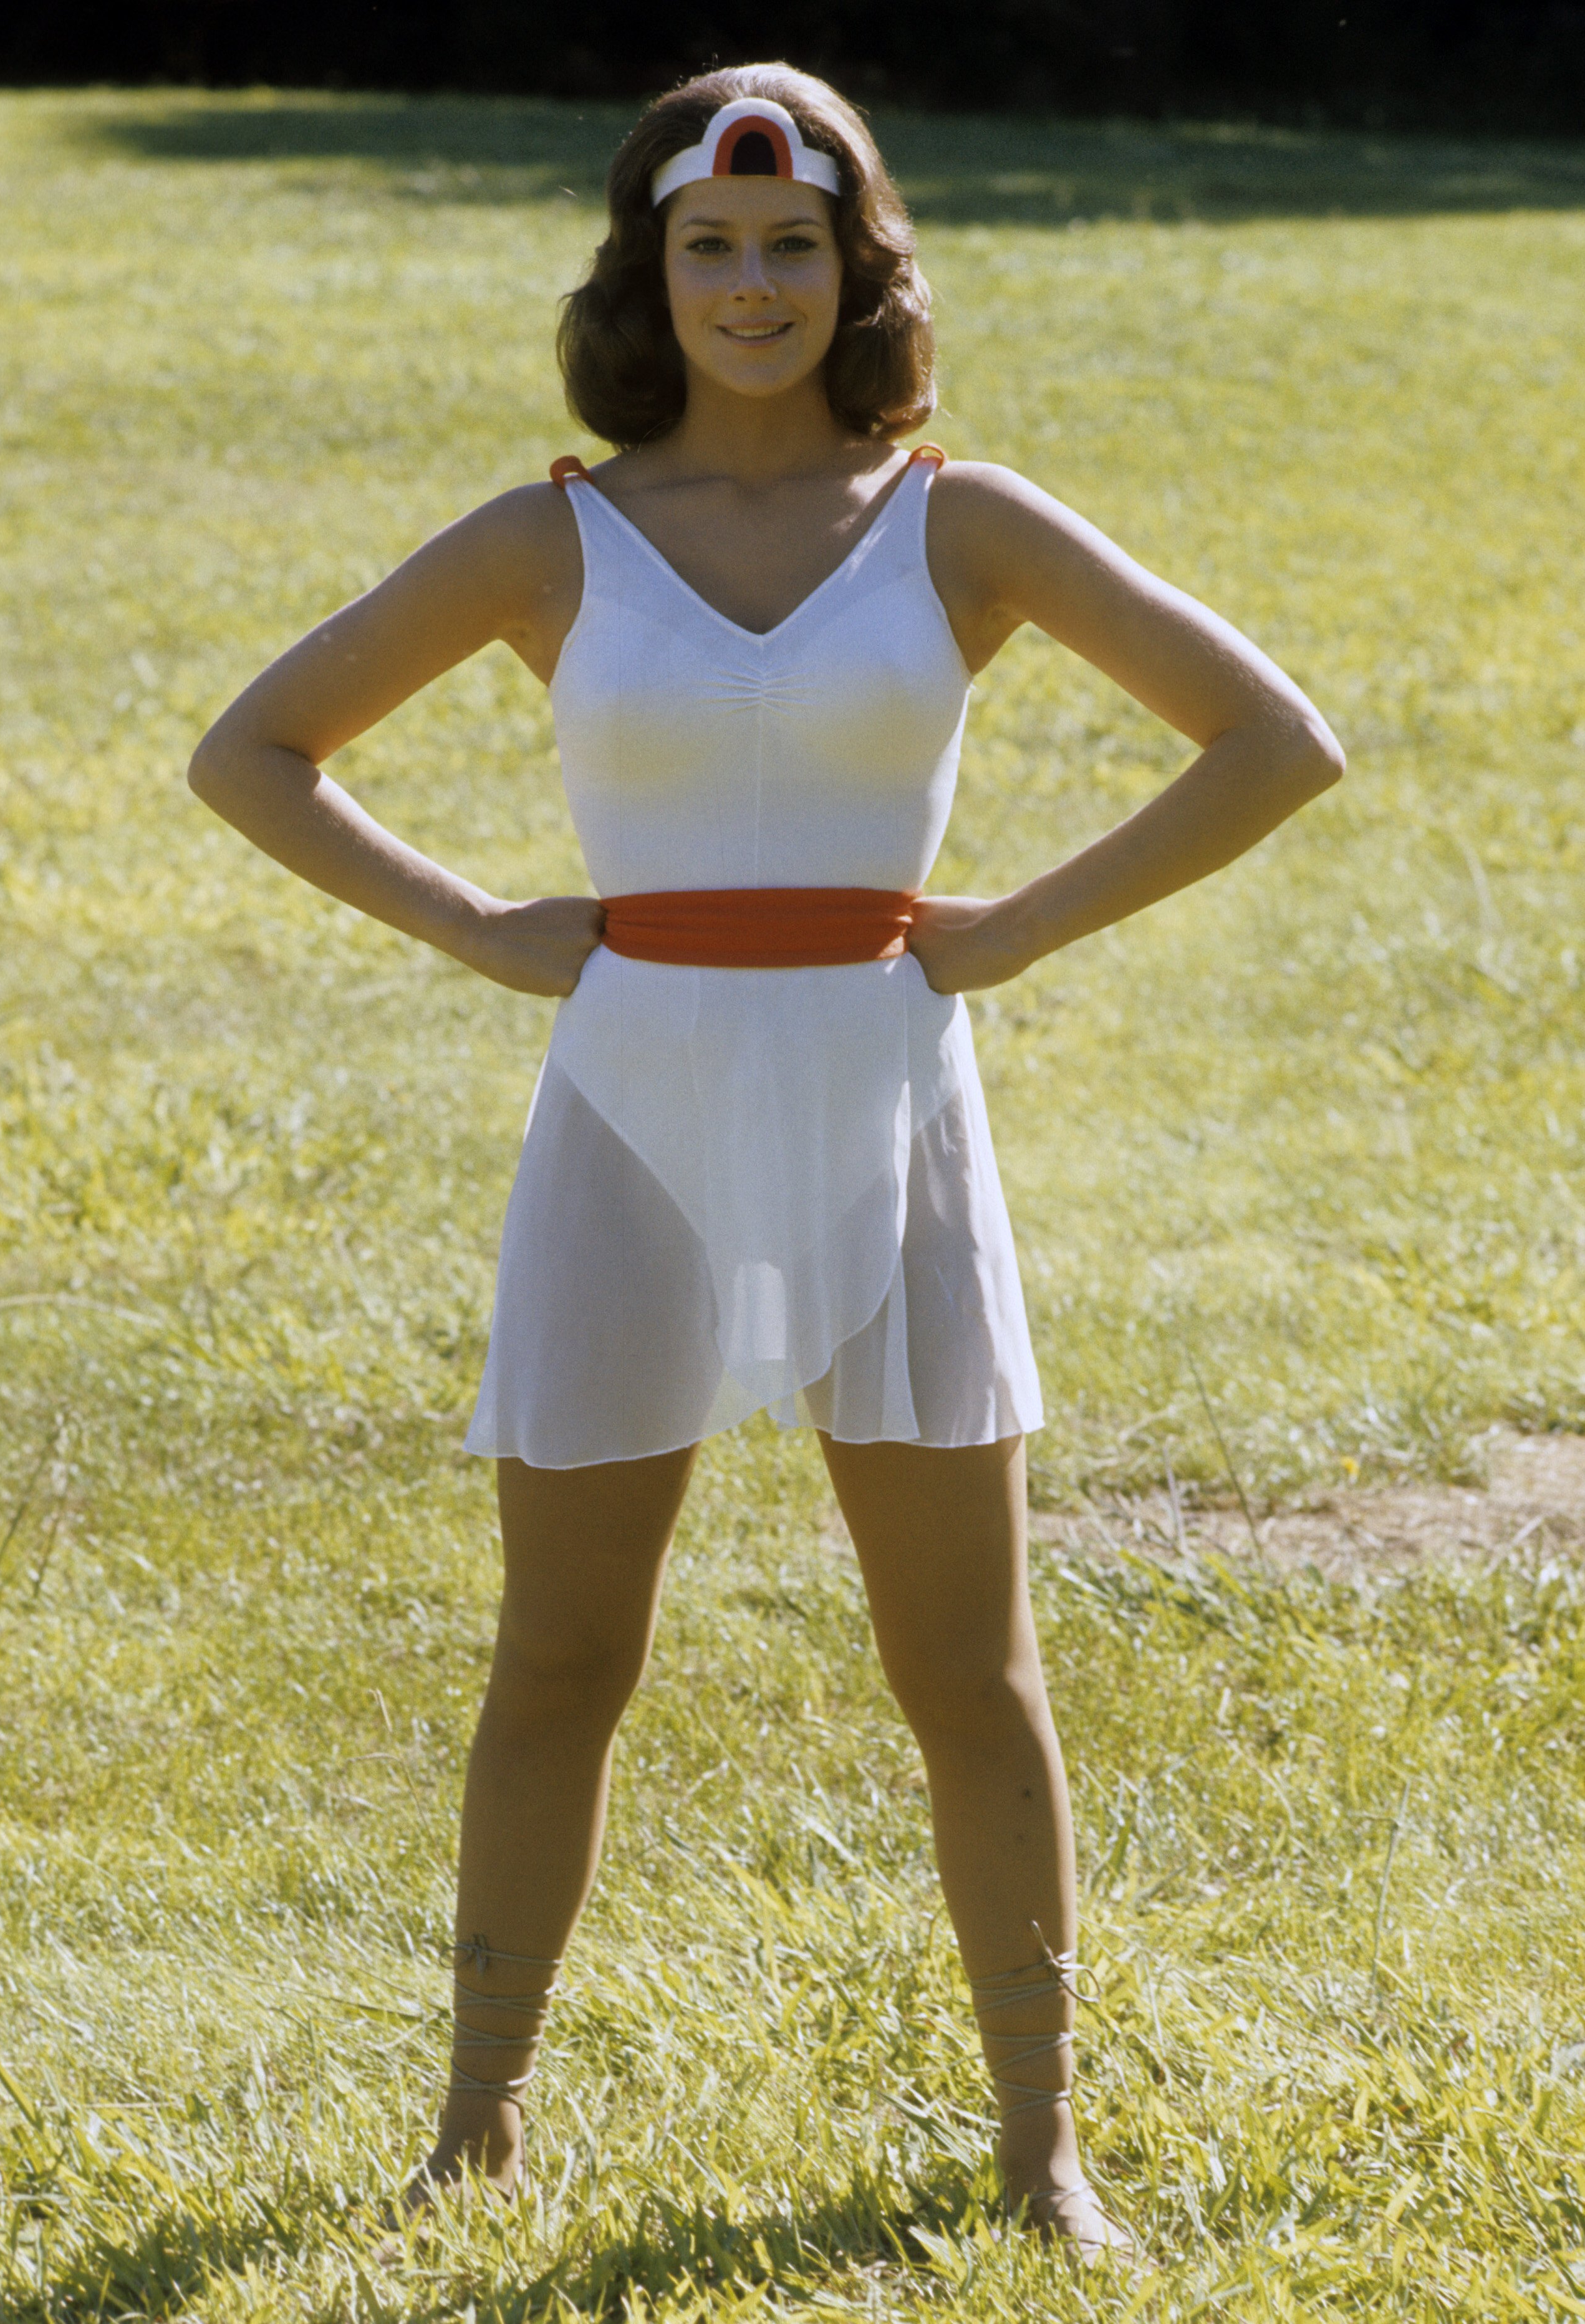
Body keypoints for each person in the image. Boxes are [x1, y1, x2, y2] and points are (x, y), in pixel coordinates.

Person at [188, 62, 1342, 2262]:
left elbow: (1273, 738)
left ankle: (1041, 2154)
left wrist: (1007, 929)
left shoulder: (955, 522)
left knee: (968, 1668)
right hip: (625, 1114)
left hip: (885, 1109)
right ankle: (473, 2130)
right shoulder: (552, 536)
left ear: (853, 266)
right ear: (649, 269)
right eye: (705, 248)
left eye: (789, 245)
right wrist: (476, 922)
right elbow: (251, 748)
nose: (747, 285)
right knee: (560, 1659)